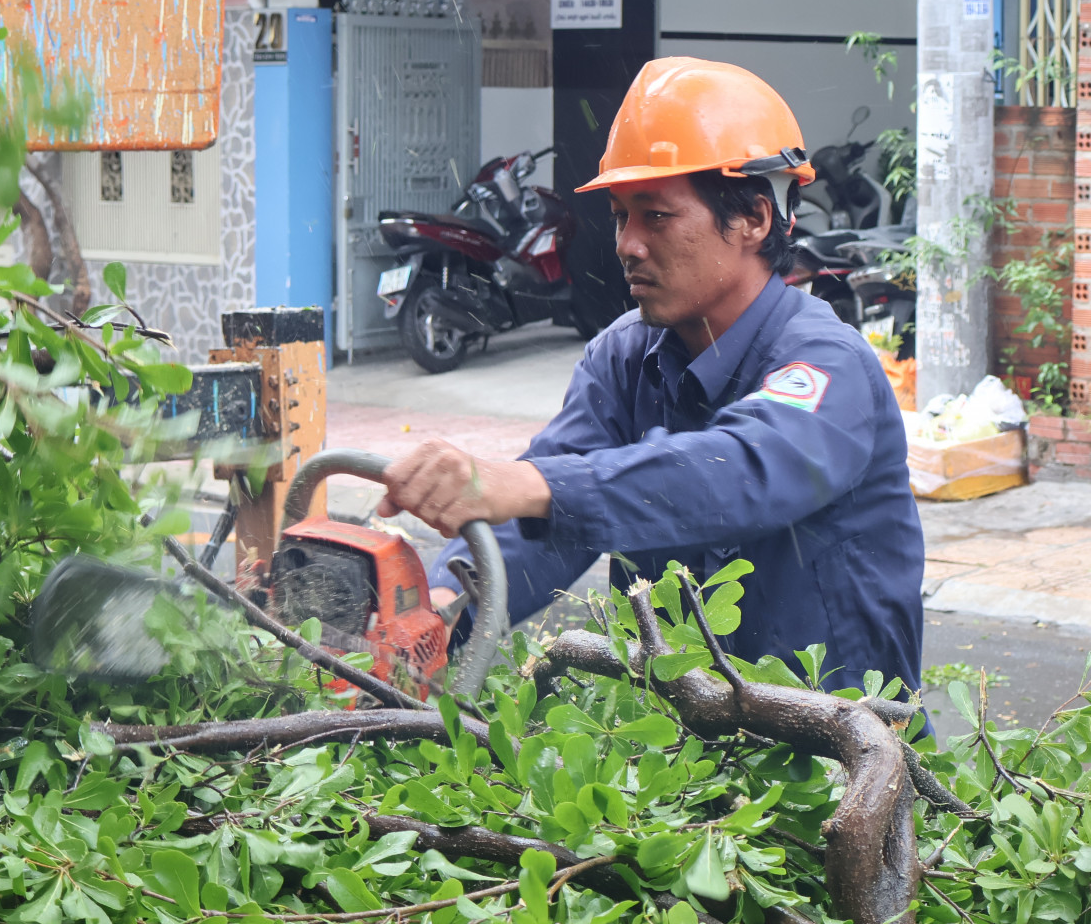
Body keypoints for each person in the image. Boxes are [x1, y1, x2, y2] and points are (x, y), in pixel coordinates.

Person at [377, 57, 923, 694]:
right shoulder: (623, 357)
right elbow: (539, 532)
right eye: (619, 216)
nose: (627, 244)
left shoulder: (829, 363)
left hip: (840, 743)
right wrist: (441, 608)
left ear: (754, 218)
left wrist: (532, 482)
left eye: (656, 216)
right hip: (670, 741)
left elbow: (741, 472)